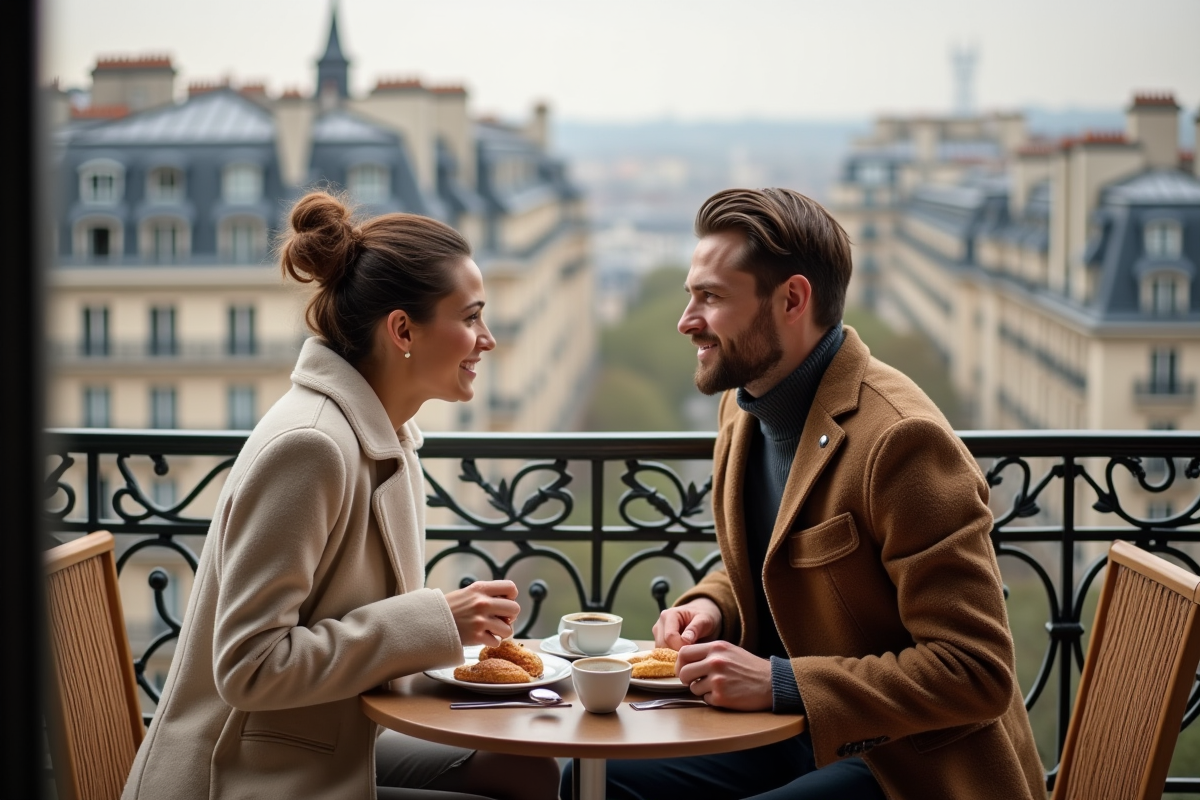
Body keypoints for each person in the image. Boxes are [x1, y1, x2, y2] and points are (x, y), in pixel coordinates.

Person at [563, 188, 1045, 800]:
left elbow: (975, 672)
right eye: (691, 295)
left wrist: (781, 684)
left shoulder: (902, 441)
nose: (686, 320)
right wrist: (715, 607)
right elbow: (780, 560)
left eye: (710, 297)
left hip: (907, 764)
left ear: (792, 299)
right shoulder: (742, 411)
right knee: (590, 780)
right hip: (794, 737)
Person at [123, 192, 561, 800]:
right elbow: (249, 667)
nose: (487, 339)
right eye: (470, 317)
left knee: (527, 767)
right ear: (403, 330)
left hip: (318, 737)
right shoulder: (312, 447)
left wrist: (445, 630)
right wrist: (435, 619)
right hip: (242, 772)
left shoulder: (385, 435)